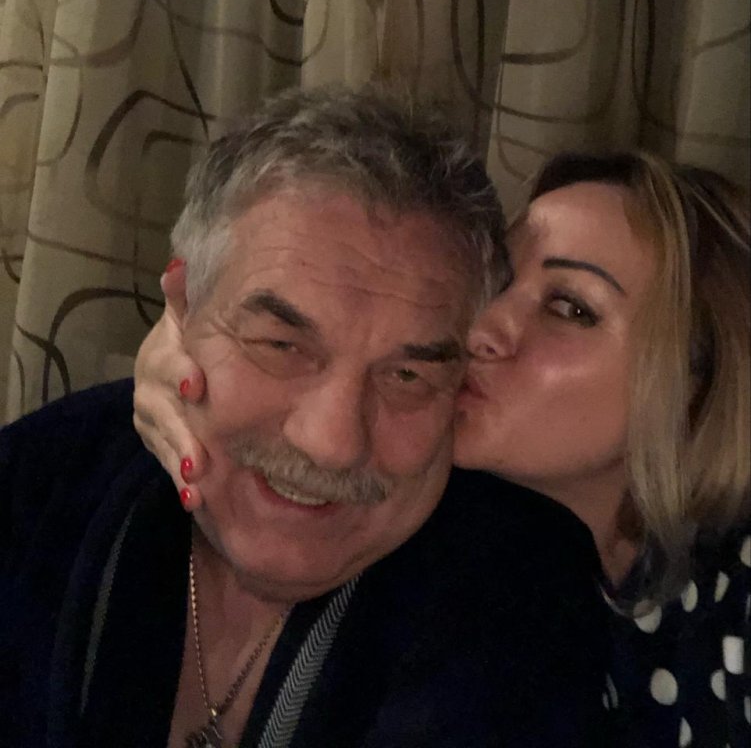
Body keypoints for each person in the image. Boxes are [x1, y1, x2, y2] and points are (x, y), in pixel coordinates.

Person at [0, 89, 610, 748]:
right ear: (181, 307)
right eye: (280, 345)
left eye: (407, 376)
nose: (331, 443)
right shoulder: (36, 488)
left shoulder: (517, 596)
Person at [137, 146, 751, 748]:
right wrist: (193, 348)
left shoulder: (730, 602)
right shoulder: (393, 516)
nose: (478, 329)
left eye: (570, 308)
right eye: (498, 282)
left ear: (696, 384)